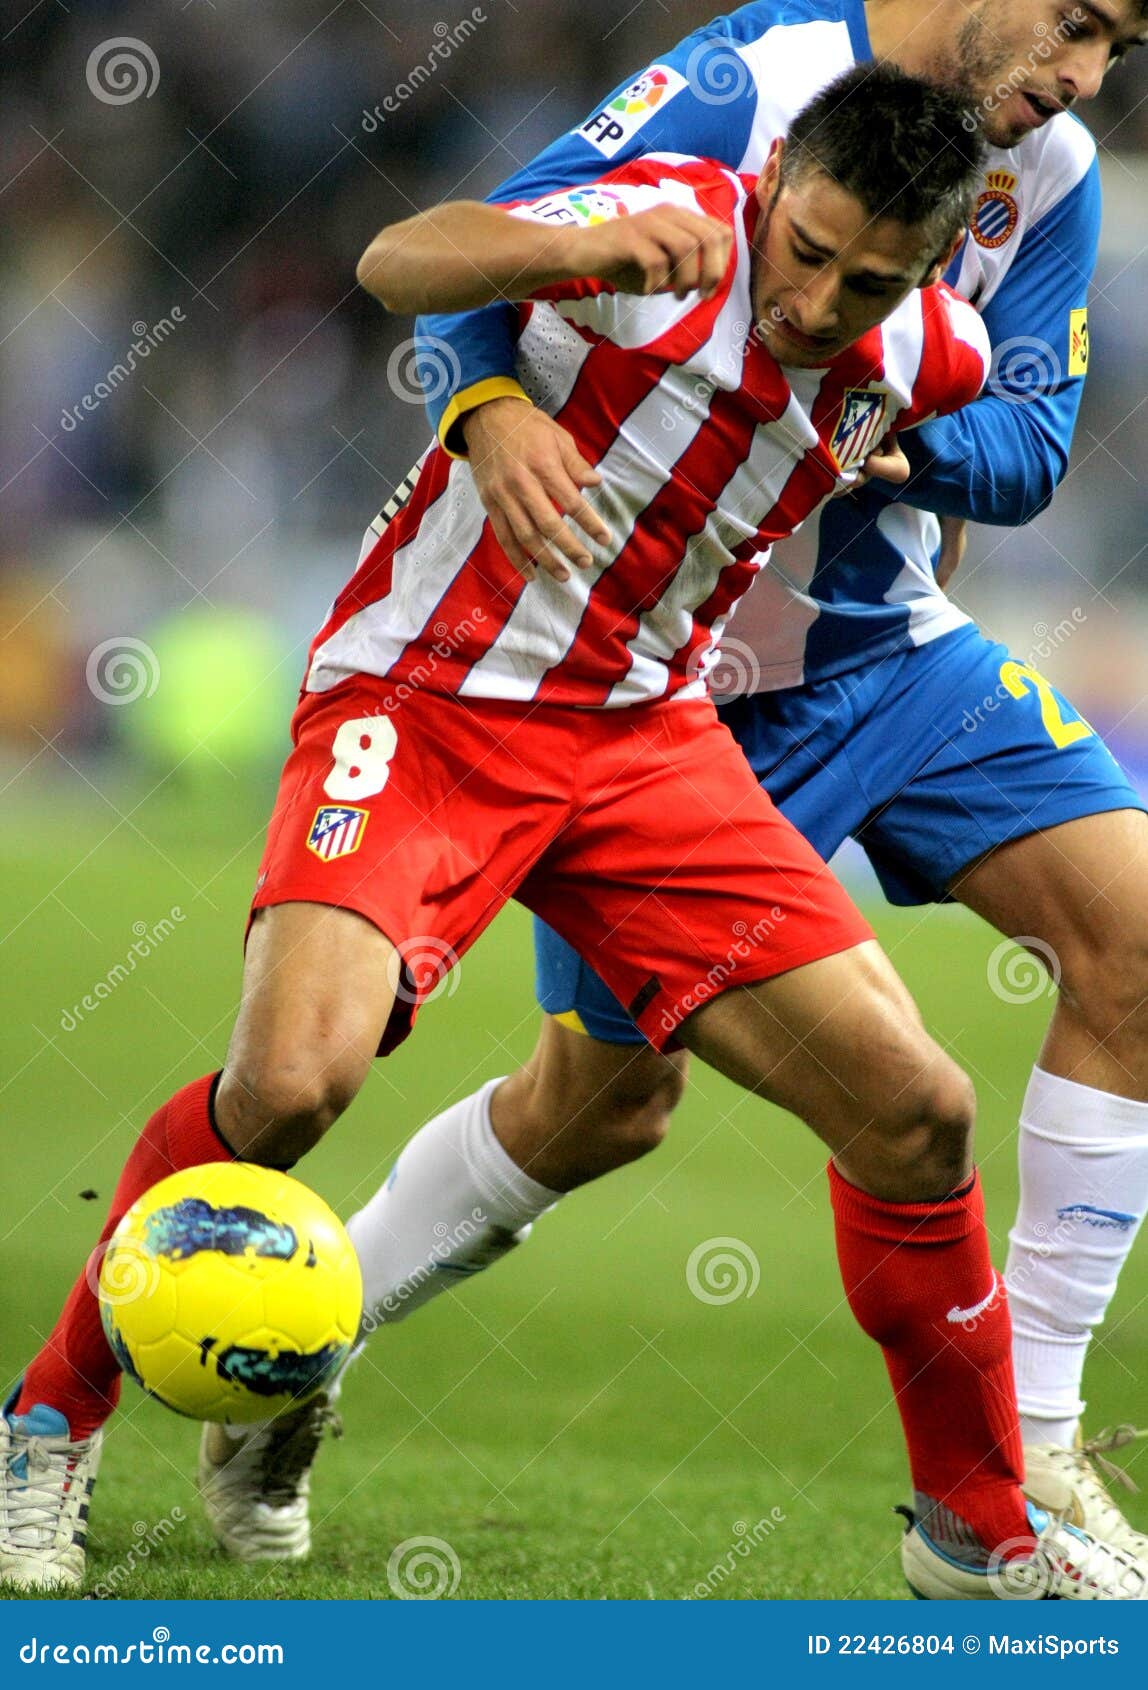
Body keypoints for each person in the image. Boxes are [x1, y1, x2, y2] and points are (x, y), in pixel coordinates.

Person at [6, 68, 1136, 1602]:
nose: (813, 299)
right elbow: (400, 262)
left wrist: (908, 451)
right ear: (776, 183)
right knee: (290, 1081)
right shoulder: (663, 226)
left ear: (928, 273)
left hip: (640, 739)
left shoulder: (926, 345)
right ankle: (43, 1428)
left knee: (913, 1107)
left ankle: (980, 1528)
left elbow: (1016, 440)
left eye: (865, 279)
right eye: (801, 247)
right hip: (423, 699)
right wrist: (546, 296)